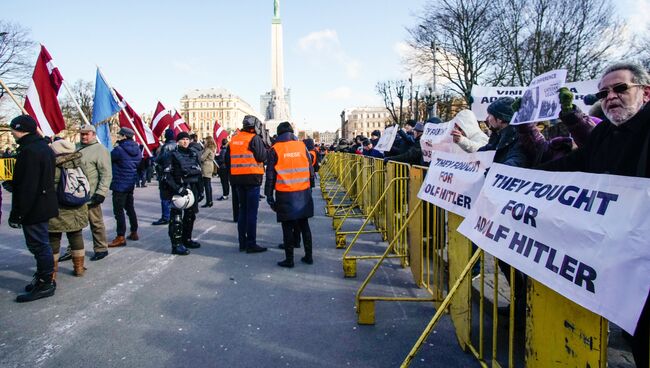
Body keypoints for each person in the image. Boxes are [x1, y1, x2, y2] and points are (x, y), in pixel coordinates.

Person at [539, 62, 650, 368]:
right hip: (621, 253)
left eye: (620, 88)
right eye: (604, 92)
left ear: (646, 92)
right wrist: (521, 177)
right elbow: (574, 164)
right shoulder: (603, 135)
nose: (610, 96)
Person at [5, 115, 58, 302]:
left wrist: (17, 214)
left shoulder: (30, 150)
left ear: (19, 129)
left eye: (13, 130)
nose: (11, 133)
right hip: (42, 202)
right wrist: (15, 182)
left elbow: (28, 186)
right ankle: (44, 279)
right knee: (41, 244)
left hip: (35, 205)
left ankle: (45, 283)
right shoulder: (42, 147)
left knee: (39, 245)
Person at [265, 122, 314, 267]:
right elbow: (310, 169)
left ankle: (289, 259)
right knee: (304, 225)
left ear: (279, 134)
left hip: (285, 193)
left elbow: (270, 176)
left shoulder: (275, 149)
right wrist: (310, 187)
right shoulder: (302, 146)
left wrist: (269, 195)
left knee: (287, 226)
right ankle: (308, 256)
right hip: (303, 191)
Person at [60, 124, 112, 262]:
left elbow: (106, 174)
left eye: (87, 134)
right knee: (73, 225)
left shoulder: (100, 150)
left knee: (96, 223)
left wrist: (101, 192)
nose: (84, 136)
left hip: (91, 194)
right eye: (82, 133)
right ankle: (73, 250)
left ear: (93, 135)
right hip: (74, 194)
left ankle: (101, 248)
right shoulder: (76, 147)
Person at [226, 115, 268, 253]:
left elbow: (227, 160)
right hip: (252, 179)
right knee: (252, 213)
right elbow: (262, 157)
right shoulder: (254, 138)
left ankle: (242, 243)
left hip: (237, 180)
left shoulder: (234, 139)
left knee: (242, 210)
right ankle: (251, 243)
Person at [48, 139, 89, 276]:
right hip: (78, 206)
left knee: (53, 238)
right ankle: (79, 268)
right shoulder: (79, 163)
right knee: (76, 235)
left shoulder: (52, 165)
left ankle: (52, 272)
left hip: (57, 208)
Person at [162, 132, 203, 255]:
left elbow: (198, 173)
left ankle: (187, 239)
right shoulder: (171, 155)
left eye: (187, 139)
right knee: (176, 218)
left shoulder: (193, 154)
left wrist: (201, 190)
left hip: (192, 188)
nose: (185, 141)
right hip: (178, 189)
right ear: (178, 141)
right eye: (182, 139)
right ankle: (177, 244)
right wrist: (177, 189)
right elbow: (167, 176)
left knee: (190, 216)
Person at [108, 127, 141, 247]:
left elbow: (108, 158)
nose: (118, 137)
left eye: (120, 135)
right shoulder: (137, 148)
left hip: (119, 183)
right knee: (130, 208)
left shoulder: (119, 149)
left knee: (118, 211)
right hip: (130, 182)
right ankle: (134, 231)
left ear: (124, 136)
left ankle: (120, 236)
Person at [152, 129, 176, 225]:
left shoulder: (165, 147)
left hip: (165, 174)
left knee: (165, 197)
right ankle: (174, 215)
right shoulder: (177, 145)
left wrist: (155, 158)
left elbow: (160, 160)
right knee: (173, 196)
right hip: (174, 174)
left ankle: (166, 217)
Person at [200, 136, 217, 207]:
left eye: (205, 140)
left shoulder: (208, 149)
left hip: (206, 166)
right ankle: (210, 201)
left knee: (207, 185)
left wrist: (200, 154)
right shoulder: (213, 148)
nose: (204, 142)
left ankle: (208, 201)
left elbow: (202, 158)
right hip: (210, 166)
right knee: (209, 185)